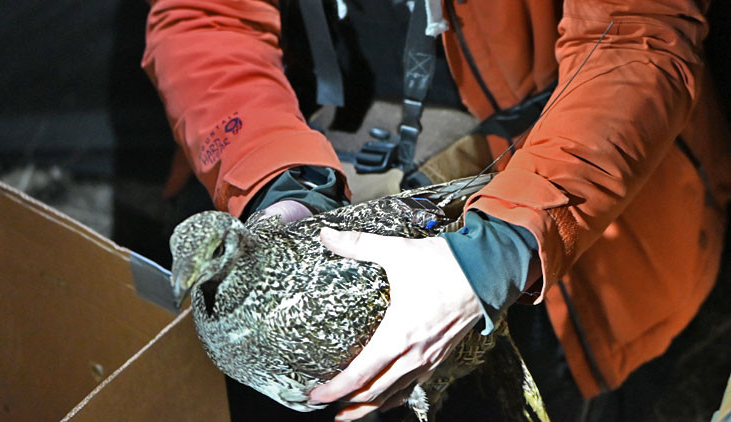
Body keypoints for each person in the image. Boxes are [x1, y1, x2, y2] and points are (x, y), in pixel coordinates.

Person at [142, 0, 731, 420]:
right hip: (312, 137)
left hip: (568, 201)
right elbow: (202, 17)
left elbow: (637, 32)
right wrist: (277, 183)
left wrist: (497, 250)